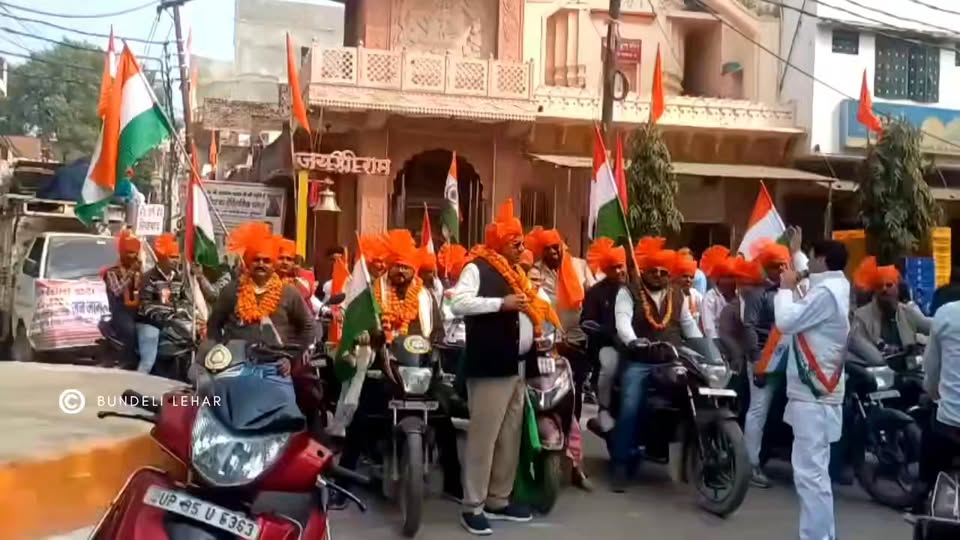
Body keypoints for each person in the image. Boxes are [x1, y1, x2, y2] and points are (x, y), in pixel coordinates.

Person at [450, 198, 560, 535]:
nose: (522, 249)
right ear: (500, 243)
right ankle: (472, 506)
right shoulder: (477, 268)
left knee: (509, 437)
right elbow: (458, 303)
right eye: (516, 243)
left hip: (517, 367)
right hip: (490, 366)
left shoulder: (517, 273)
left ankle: (498, 499)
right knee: (483, 438)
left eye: (522, 244)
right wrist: (501, 304)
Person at [611, 237, 709, 492]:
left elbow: (689, 327)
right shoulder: (629, 291)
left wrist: (706, 350)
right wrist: (633, 341)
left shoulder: (677, 295)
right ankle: (621, 463)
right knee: (630, 405)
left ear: (670, 274)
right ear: (644, 270)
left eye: (664, 272)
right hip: (640, 360)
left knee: (700, 396)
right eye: (653, 270)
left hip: (673, 359)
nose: (658, 275)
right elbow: (623, 322)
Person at [773, 240, 850, 540]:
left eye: (813, 257)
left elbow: (786, 320)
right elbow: (808, 282)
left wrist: (784, 288)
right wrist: (796, 252)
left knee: (810, 476)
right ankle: (824, 535)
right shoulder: (835, 286)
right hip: (819, 395)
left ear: (823, 259)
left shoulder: (826, 294)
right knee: (816, 474)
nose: (810, 265)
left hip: (814, 396)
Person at [525, 226, 595, 489]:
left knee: (571, 406)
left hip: (572, 346)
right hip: (538, 350)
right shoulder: (534, 275)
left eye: (557, 247)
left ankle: (575, 467)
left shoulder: (579, 267)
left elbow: (592, 296)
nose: (554, 252)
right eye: (549, 248)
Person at [741, 232, 808, 488]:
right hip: (764, 358)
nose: (781, 269)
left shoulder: (796, 291)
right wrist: (757, 360)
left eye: (784, 265)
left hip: (794, 360)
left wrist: (797, 251)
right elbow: (749, 327)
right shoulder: (757, 294)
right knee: (758, 410)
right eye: (775, 266)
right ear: (766, 268)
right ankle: (750, 464)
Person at [207, 222, 315, 357]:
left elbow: (308, 326)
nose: (261, 264)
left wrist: (291, 357)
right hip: (236, 361)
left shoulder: (289, 292)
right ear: (248, 262)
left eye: (266, 261)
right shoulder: (232, 290)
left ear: (273, 264)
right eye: (256, 260)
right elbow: (214, 324)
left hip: (275, 362)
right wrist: (219, 351)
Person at [914, 298, 960, 511]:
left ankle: (922, 491)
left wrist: (933, 394)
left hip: (949, 425)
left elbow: (931, 370)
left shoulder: (947, 314)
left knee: (930, 416)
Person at [580, 237, 627, 433]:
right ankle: (605, 408)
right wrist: (607, 333)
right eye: (614, 267)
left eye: (621, 266)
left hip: (634, 346)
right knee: (609, 366)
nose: (619, 271)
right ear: (606, 270)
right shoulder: (596, 293)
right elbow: (586, 321)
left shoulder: (635, 290)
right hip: (607, 346)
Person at [137, 234, 192, 375]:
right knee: (148, 361)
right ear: (162, 257)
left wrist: (184, 313)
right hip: (151, 323)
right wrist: (169, 313)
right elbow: (145, 305)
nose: (176, 260)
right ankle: (136, 383)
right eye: (172, 257)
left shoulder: (179, 278)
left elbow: (185, 301)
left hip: (173, 323)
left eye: (177, 257)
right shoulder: (149, 277)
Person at [851, 257, 931, 352]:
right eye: (880, 286)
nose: (884, 289)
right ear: (875, 291)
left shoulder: (907, 312)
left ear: (897, 288)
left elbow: (931, 327)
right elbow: (858, 346)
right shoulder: (861, 317)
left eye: (889, 285)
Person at [102, 230, 143, 369]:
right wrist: (131, 272)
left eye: (135, 253)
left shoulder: (140, 271)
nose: (133, 256)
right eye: (130, 253)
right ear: (122, 254)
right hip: (121, 311)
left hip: (138, 310)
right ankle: (128, 360)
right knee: (130, 330)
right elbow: (117, 290)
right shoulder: (111, 272)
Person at [699, 246, 736, 341]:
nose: (733, 280)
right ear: (718, 279)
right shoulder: (709, 298)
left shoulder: (740, 295)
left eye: (734, 276)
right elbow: (709, 329)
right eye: (728, 277)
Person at [673, 253, 703, 328]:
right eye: (685, 276)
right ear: (676, 277)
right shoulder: (670, 295)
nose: (688, 280)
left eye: (691, 277)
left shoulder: (695, 294)